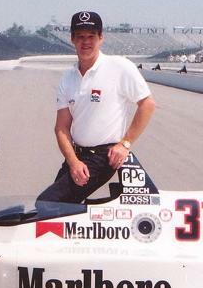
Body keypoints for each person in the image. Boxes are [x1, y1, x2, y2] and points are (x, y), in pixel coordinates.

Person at [37, 11, 156, 204]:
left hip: (103, 157)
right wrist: (73, 162)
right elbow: (61, 128)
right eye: (80, 37)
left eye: (91, 36)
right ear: (72, 40)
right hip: (77, 157)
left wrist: (125, 144)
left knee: (49, 203)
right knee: (56, 211)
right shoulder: (68, 79)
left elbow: (147, 104)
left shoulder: (119, 67)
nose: (86, 42)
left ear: (101, 38)